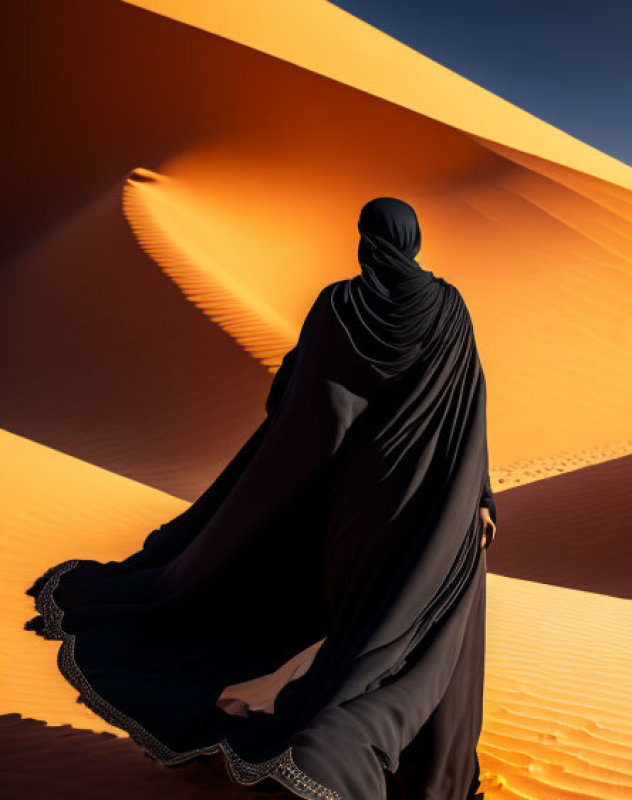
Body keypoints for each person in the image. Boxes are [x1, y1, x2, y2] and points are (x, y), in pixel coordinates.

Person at [25, 196, 498, 800]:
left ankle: (325, 746)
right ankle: (384, 767)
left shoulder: (341, 304)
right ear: (415, 239)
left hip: (354, 506)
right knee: (415, 637)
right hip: (433, 507)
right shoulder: (450, 309)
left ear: (364, 237)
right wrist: (481, 497)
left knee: (357, 635)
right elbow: (472, 409)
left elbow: (304, 402)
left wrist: (285, 463)